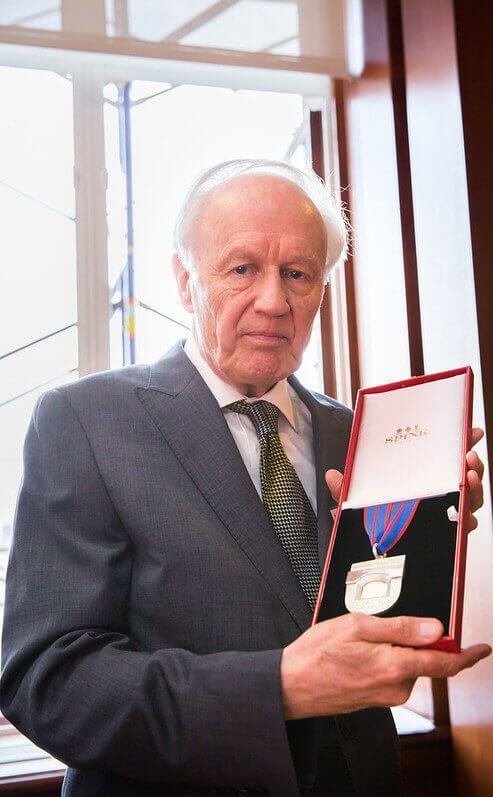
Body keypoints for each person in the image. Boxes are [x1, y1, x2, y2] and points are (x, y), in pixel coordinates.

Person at [0, 160, 489, 797]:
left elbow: (363, 612)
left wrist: (433, 533)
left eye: (298, 274)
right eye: (241, 269)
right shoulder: (84, 421)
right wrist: (278, 686)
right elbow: (49, 680)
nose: (273, 300)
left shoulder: (355, 435)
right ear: (183, 280)